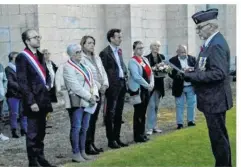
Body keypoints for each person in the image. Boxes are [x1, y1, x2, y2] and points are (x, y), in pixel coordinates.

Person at [184, 8, 233, 167]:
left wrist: (191, 76)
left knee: (218, 139)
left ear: (211, 26)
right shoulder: (211, 42)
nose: (197, 31)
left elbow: (219, 73)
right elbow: (208, 68)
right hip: (213, 99)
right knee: (219, 138)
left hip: (215, 99)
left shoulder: (216, 44)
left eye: (200, 27)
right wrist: (194, 70)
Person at [16, 29, 55, 167]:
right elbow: (23, 82)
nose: (38, 39)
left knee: (41, 132)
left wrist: (49, 84)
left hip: (43, 99)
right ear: (27, 41)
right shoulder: (22, 57)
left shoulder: (40, 55)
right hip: (33, 102)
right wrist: (31, 101)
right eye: (35, 37)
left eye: (39, 36)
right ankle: (33, 162)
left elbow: (47, 75)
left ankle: (41, 158)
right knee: (32, 133)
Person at [63, 44, 99, 162]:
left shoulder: (83, 64)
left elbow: (92, 81)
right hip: (78, 102)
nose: (80, 54)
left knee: (85, 127)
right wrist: (89, 97)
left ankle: (83, 151)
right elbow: (75, 86)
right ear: (72, 54)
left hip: (89, 100)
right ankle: (76, 152)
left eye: (80, 52)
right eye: (77, 52)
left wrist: (95, 95)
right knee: (76, 127)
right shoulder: (68, 67)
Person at [99, 29, 128, 149]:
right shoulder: (105, 53)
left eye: (121, 37)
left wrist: (125, 74)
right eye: (118, 37)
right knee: (110, 114)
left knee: (119, 114)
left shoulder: (119, 51)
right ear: (111, 38)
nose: (120, 39)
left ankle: (117, 137)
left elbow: (121, 66)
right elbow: (103, 71)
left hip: (121, 84)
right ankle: (111, 140)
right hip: (112, 87)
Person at [80, 35, 109, 155]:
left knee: (95, 119)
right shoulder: (81, 58)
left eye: (93, 43)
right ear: (83, 45)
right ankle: (86, 145)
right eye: (89, 43)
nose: (92, 45)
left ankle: (92, 143)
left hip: (101, 90)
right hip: (91, 91)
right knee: (89, 120)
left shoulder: (96, 57)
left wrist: (106, 84)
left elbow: (102, 71)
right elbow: (88, 76)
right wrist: (99, 86)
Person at [128, 41, 154, 142]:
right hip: (138, 90)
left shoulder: (145, 59)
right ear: (134, 49)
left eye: (142, 48)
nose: (141, 50)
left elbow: (150, 73)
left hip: (146, 89)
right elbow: (136, 76)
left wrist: (151, 83)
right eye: (138, 48)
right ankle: (137, 135)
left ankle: (142, 133)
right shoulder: (132, 61)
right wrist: (147, 85)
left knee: (143, 112)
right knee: (138, 113)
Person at [168, 45, 196, 129]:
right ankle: (179, 123)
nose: (184, 53)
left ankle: (191, 121)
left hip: (191, 85)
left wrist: (190, 70)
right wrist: (177, 74)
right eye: (182, 52)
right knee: (179, 105)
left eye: (185, 51)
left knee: (191, 104)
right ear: (177, 52)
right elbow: (170, 73)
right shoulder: (172, 60)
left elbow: (197, 70)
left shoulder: (192, 59)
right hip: (179, 86)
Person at [145, 41, 165, 135]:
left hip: (159, 85)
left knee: (156, 106)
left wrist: (164, 70)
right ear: (151, 47)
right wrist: (154, 69)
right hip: (151, 85)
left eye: (158, 46)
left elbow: (166, 68)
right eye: (155, 46)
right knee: (151, 106)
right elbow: (146, 71)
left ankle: (154, 126)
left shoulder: (162, 57)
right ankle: (149, 127)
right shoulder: (146, 58)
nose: (156, 47)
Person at [5, 52, 27, 138]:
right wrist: (21, 87)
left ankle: (24, 130)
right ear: (12, 58)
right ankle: (14, 131)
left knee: (23, 113)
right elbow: (10, 82)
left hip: (22, 94)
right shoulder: (8, 69)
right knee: (14, 114)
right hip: (13, 94)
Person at [0, 63, 9, 141]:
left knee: (0, 116)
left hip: (0, 97)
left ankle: (0, 134)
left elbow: (5, 79)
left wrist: (5, 89)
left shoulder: (0, 66)